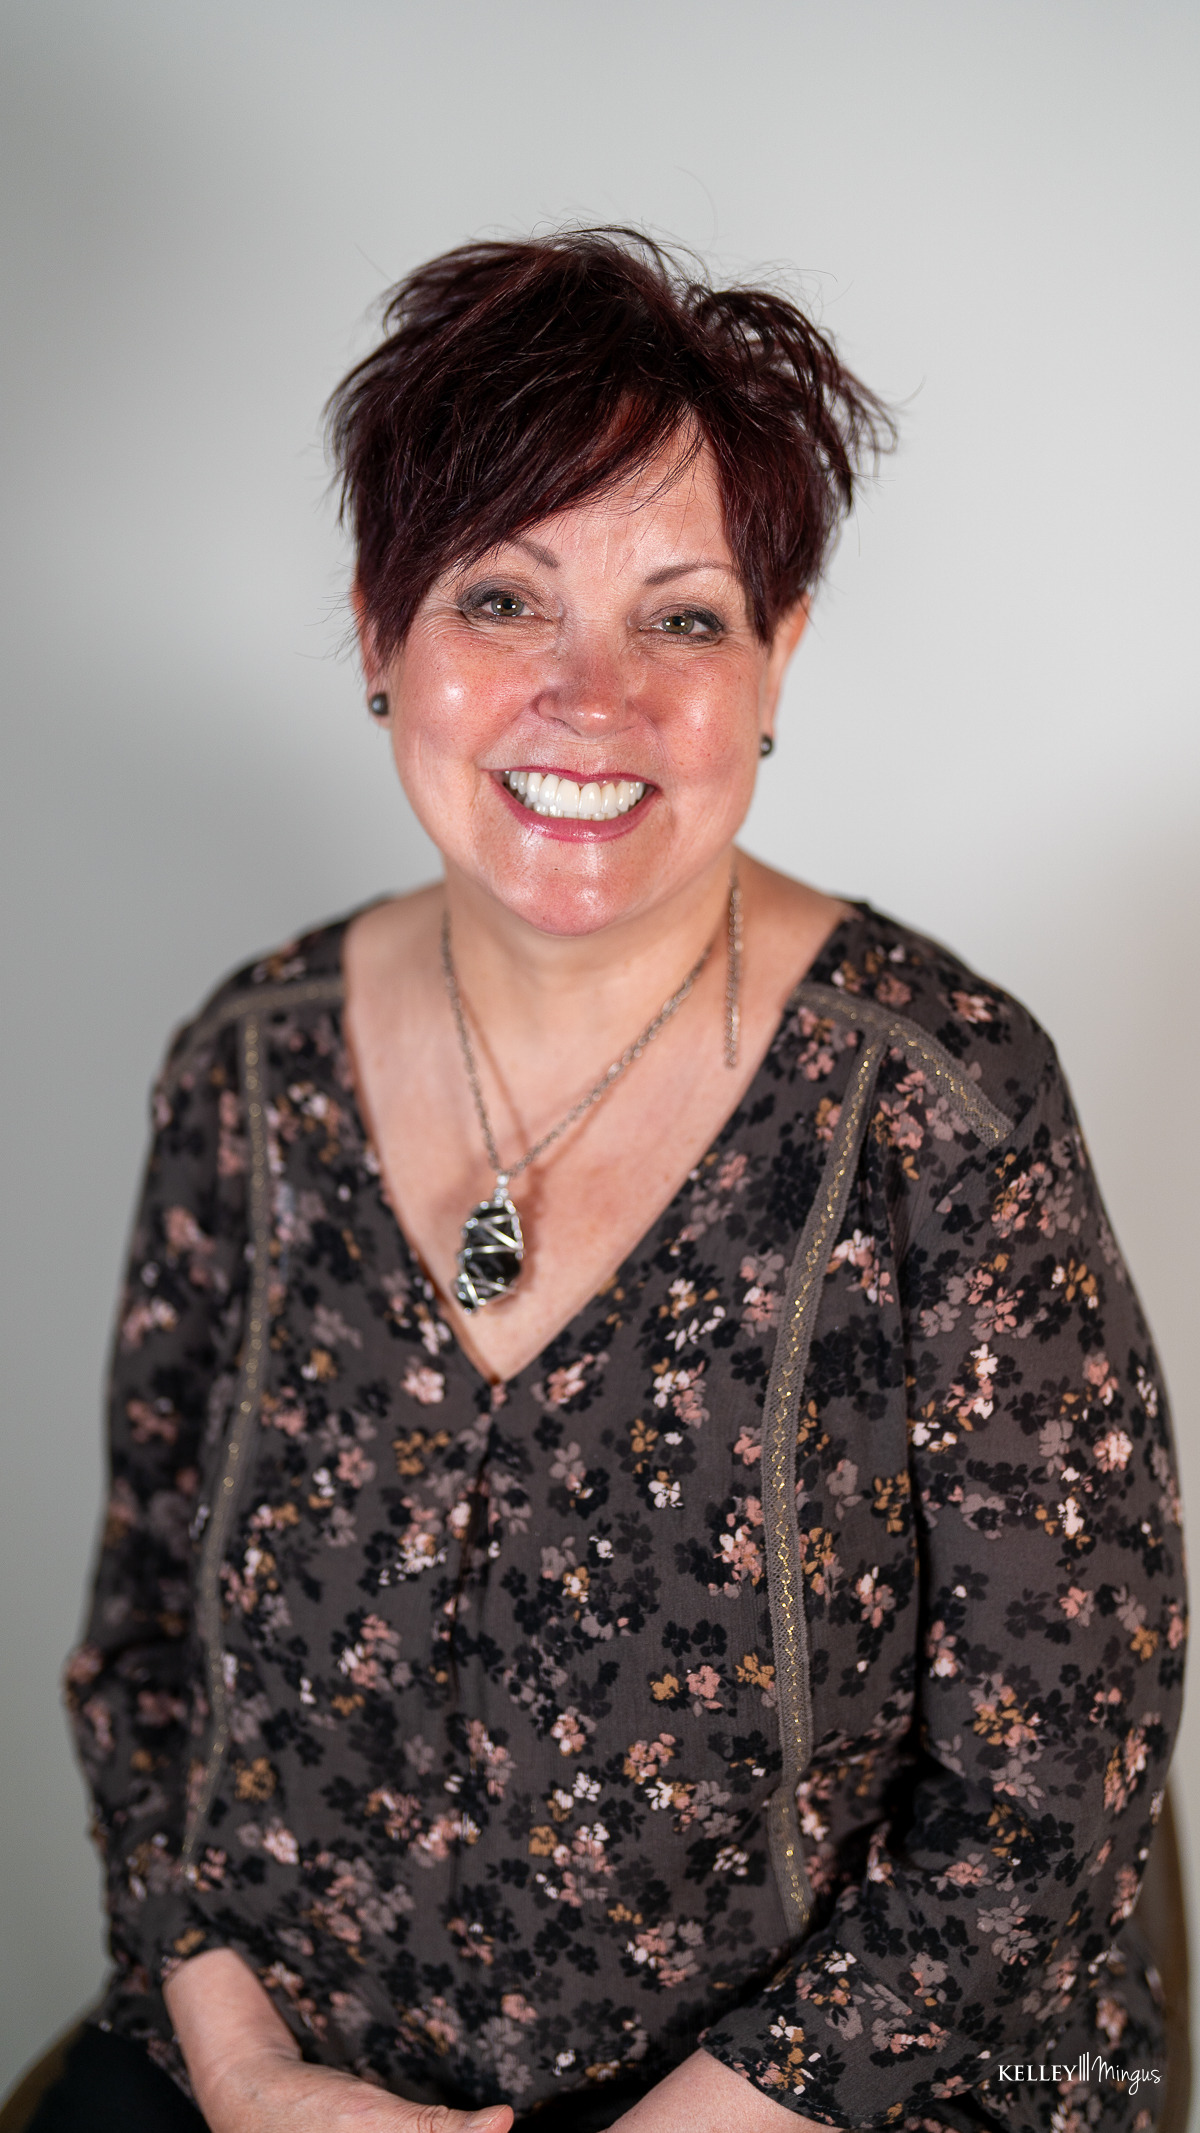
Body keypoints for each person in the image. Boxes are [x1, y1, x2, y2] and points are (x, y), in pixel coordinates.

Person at [52, 230, 1183, 2133]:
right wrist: (244, 2070)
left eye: (681, 616)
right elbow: (147, 1644)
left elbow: (1052, 1769)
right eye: (501, 599)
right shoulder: (242, 1071)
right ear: (374, 633)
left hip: (816, 2102)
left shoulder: (946, 1108)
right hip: (286, 2070)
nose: (590, 697)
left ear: (776, 663)